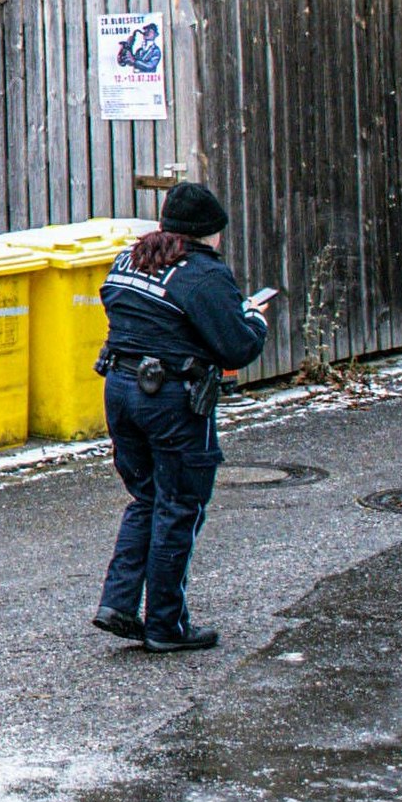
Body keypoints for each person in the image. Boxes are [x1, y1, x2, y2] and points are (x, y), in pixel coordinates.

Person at [93, 182, 271, 654]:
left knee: (146, 498)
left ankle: (119, 604)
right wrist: (254, 317)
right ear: (209, 233)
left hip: (120, 390)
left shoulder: (130, 260)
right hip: (171, 398)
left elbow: (119, 304)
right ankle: (166, 625)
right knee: (180, 505)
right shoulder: (203, 274)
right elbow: (238, 346)